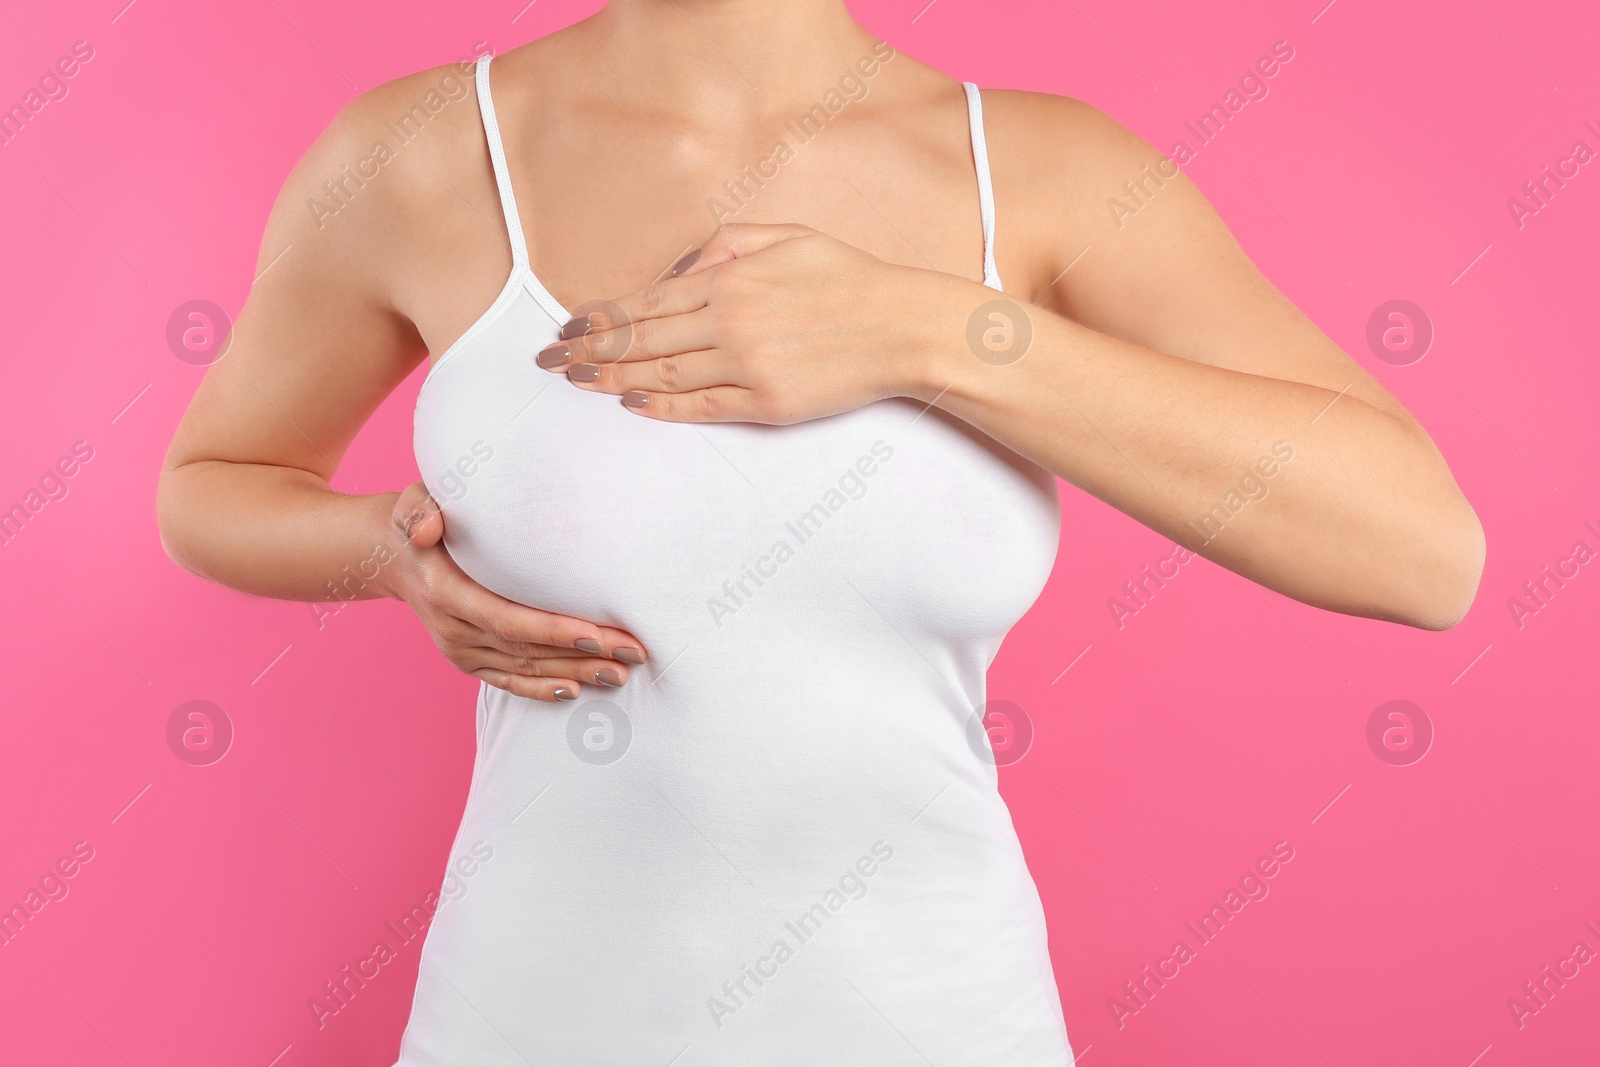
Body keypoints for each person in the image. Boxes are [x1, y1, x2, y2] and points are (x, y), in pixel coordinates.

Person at [157, 2, 1484, 1062]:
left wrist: (939, 334)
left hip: (943, 1026)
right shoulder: (422, 153)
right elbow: (215, 481)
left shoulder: (1044, 174)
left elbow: (1422, 554)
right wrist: (389, 556)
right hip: (528, 1019)